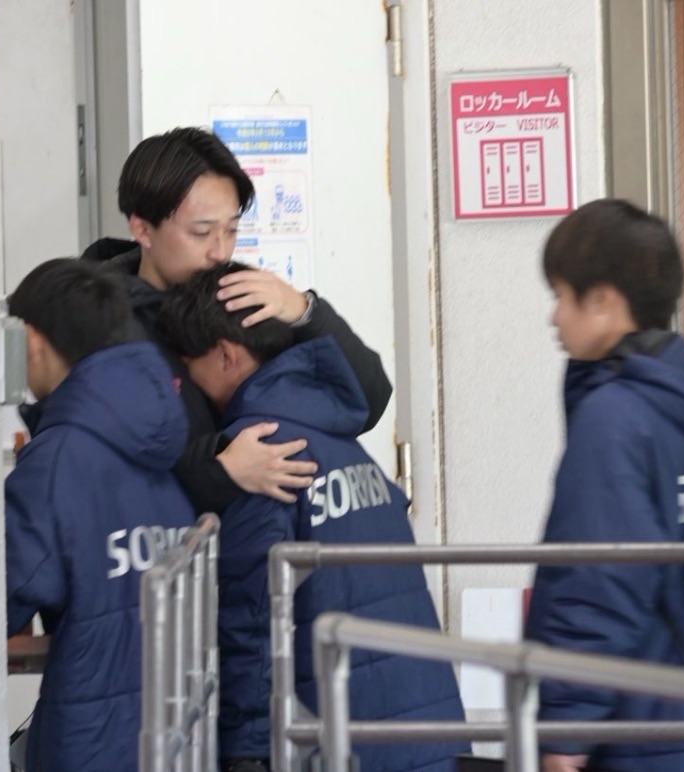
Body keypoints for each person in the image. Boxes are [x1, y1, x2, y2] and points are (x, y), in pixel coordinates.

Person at [158, 262, 469, 772]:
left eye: (188, 366)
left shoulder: (262, 453)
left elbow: (253, 620)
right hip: (423, 723)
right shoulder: (340, 436)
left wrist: (247, 753)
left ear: (225, 355)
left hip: (347, 742)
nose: (186, 384)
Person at [82, 126, 392, 515]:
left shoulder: (240, 297)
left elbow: (365, 402)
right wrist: (220, 472)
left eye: (231, 230)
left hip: (261, 540)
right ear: (142, 228)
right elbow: (100, 478)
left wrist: (306, 312)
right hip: (170, 549)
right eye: (201, 232)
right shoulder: (96, 328)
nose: (220, 251)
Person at [523, 199, 684, 772]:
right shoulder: (681, 396)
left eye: (561, 296)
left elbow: (601, 577)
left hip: (624, 729)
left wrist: (567, 727)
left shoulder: (615, 415)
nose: (554, 316)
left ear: (604, 301)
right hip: (676, 709)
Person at [3, 258, 196, 772]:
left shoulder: (58, 459)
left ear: (32, 340)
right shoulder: (158, 438)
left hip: (92, 741)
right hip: (177, 739)